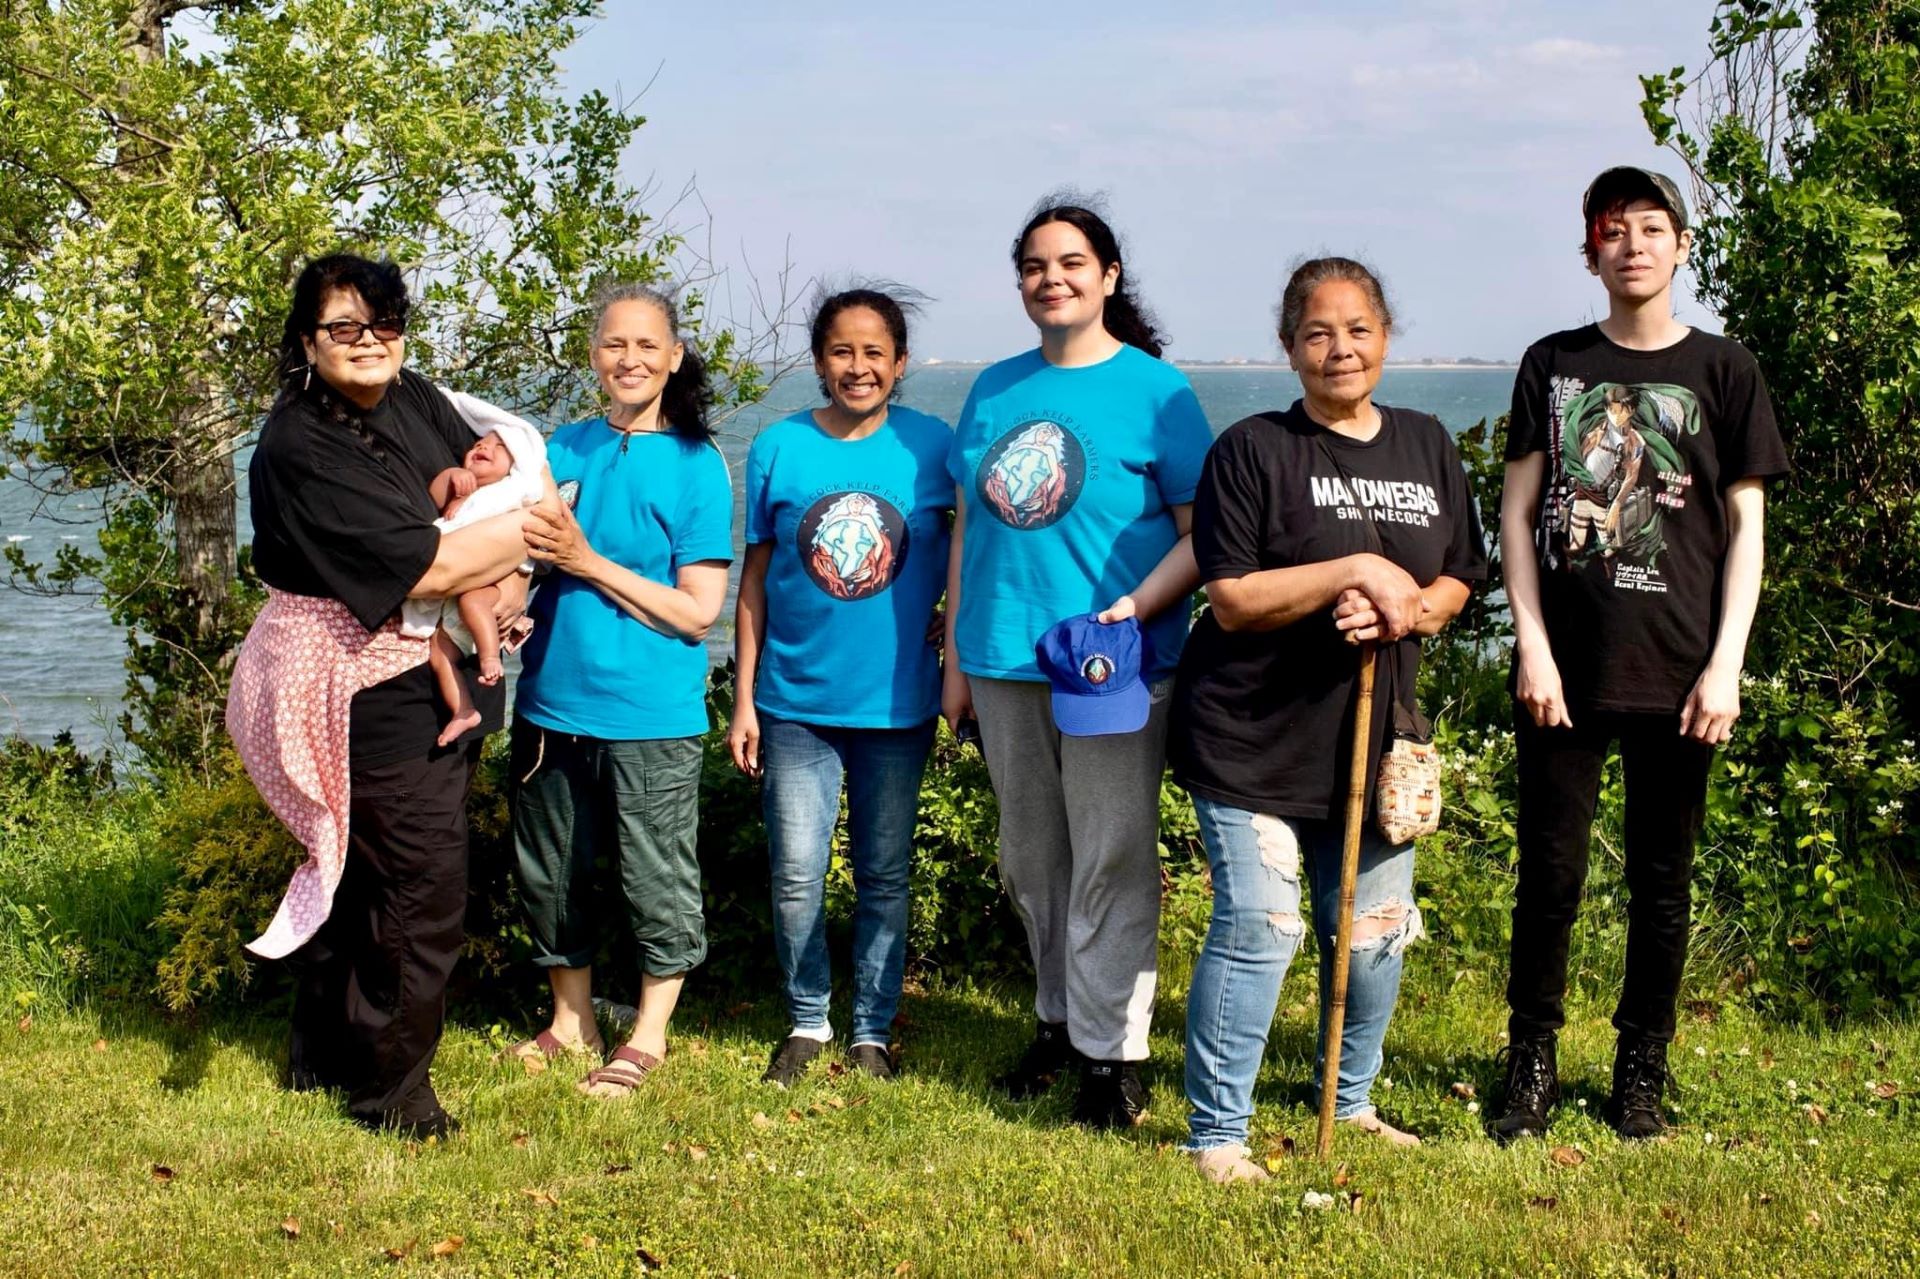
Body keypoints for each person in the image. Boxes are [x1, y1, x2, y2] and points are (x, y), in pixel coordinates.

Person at [1167, 257, 1487, 1182]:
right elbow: (1228, 596)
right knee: (1262, 924)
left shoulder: (1427, 443)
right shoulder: (1254, 450)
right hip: (1248, 735)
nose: (1339, 348)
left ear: (1385, 336)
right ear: (1289, 346)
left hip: (1375, 737)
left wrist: (1411, 608)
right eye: (1318, 332)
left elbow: (1459, 574)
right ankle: (1217, 1134)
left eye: (1357, 330)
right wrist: (1352, 572)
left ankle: (1349, 1100)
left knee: (1378, 928)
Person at [1491, 168, 1786, 1143]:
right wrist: (1531, 647)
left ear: (1681, 246)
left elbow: (1746, 527)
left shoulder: (1725, 369)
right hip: (1564, 675)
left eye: (1652, 229)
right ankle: (1529, 1062)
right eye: (1614, 231)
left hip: (1681, 673)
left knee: (1663, 882)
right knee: (1551, 877)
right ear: (1591, 251)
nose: (1633, 246)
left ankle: (1639, 1072)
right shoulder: (1554, 362)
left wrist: (1726, 664)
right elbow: (1518, 514)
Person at [230, 253, 546, 1139]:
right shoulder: (302, 442)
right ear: (306, 341)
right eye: (343, 328)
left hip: (414, 656)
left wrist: (516, 563)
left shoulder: (416, 398)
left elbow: (483, 500)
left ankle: (322, 1055)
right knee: (417, 883)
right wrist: (540, 529)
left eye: (384, 325)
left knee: (365, 869)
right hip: (350, 673)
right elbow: (437, 560)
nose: (368, 343)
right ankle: (392, 1092)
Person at [943, 198, 1213, 1128]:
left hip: (1112, 665)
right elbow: (968, 524)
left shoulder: (1158, 392)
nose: (1050, 278)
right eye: (1033, 266)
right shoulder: (993, 387)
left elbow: (1201, 536)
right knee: (1033, 860)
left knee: (1114, 855)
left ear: (1107, 276)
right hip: (1002, 658)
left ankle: (1115, 1055)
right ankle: (1059, 1022)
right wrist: (954, 657)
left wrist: (1132, 610)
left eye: (1070, 262)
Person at [507, 281, 734, 1098]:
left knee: (654, 877)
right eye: (614, 344)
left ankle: (649, 1034)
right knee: (550, 871)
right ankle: (572, 1022)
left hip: (651, 715)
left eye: (647, 346)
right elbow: (519, 563)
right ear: (593, 355)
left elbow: (697, 611)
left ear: (674, 358)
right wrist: (510, 609)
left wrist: (587, 560)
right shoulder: (558, 450)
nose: (629, 359)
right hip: (547, 705)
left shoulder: (697, 464)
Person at [726, 286, 953, 1086]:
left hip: (897, 703)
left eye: (874, 352)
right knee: (796, 870)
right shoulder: (780, 447)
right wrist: (743, 698)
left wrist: (953, 623)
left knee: (885, 871)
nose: (858, 367)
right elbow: (752, 580)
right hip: (793, 704)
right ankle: (808, 1017)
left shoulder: (933, 445)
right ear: (820, 361)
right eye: (841, 352)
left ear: (899, 363)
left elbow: (975, 546)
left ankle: (872, 1028)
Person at [403, 422, 546, 746]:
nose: (485, 448)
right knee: (438, 654)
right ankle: (464, 709)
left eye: (499, 448)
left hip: (486, 584)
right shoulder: (463, 490)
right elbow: (432, 502)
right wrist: (449, 478)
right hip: (450, 591)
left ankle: (490, 657)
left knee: (473, 602)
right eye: (480, 443)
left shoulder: (511, 495)